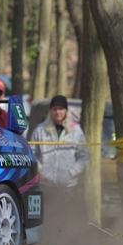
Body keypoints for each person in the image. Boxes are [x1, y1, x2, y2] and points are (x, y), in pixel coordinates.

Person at [30, 95, 90, 227]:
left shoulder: (76, 131)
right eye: (55, 109)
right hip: (46, 187)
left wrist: (72, 172)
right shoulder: (40, 130)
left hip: (68, 188)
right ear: (50, 111)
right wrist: (40, 169)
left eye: (61, 109)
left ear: (66, 111)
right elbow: (32, 154)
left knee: (68, 225)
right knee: (48, 224)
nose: (58, 112)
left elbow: (84, 157)